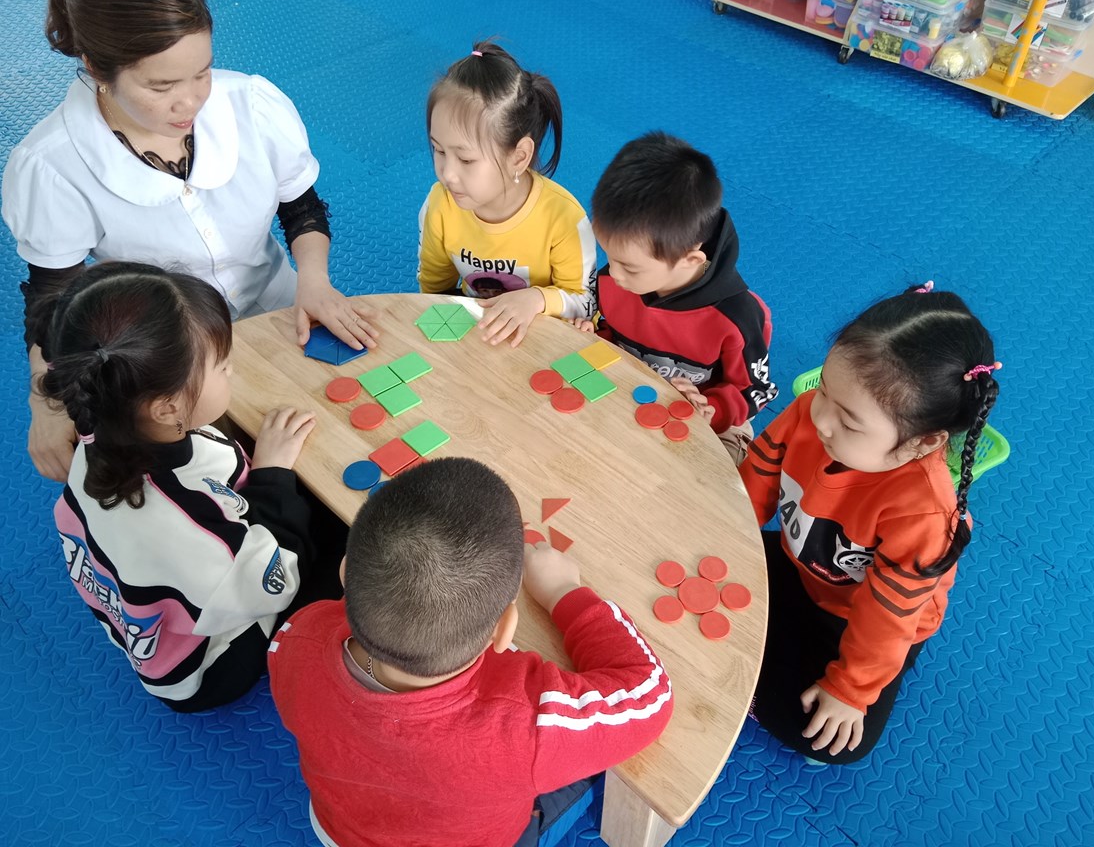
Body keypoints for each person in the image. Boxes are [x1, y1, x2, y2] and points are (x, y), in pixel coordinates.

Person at [1, 0, 378, 483]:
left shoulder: (251, 104)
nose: (190, 102)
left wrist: (315, 280)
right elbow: (54, 298)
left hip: (284, 314)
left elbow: (301, 208)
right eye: (161, 86)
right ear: (96, 68)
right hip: (173, 360)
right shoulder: (52, 166)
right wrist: (46, 402)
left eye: (202, 73)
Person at [269, 457, 674, 847]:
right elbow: (651, 694)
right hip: (481, 836)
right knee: (594, 770)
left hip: (340, 830)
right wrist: (565, 593)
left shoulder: (295, 639)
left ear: (345, 572)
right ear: (504, 630)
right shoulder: (529, 727)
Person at [41, 261, 338, 713]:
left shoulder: (98, 424)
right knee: (348, 545)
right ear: (166, 408)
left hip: (170, 594)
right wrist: (272, 474)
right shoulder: (183, 521)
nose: (232, 372)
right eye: (223, 366)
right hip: (204, 669)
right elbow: (277, 581)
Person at [739, 283, 1000, 764]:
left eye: (849, 422)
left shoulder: (924, 513)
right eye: (824, 389)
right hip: (803, 565)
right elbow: (756, 478)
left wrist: (849, 689)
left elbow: (888, 617)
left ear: (922, 443)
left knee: (831, 739)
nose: (820, 419)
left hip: (861, 615)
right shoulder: (810, 414)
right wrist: (727, 535)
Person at [582, 132, 777, 440]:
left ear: (690, 260)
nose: (612, 274)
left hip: (710, 421)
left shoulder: (736, 317)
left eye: (629, 266)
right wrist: (594, 336)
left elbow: (756, 390)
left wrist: (712, 409)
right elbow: (614, 332)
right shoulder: (617, 280)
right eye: (609, 255)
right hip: (631, 394)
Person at [417, 41, 597, 348]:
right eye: (438, 150)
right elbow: (434, 292)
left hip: (546, 344)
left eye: (466, 160)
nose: (447, 174)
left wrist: (536, 299)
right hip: (480, 336)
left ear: (518, 157)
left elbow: (586, 305)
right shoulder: (439, 205)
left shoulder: (565, 219)